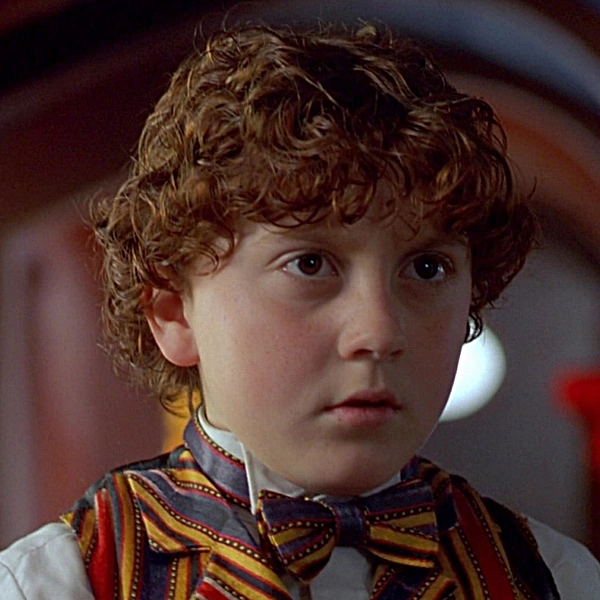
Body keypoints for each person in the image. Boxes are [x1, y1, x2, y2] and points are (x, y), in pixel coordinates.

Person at [1, 22, 600, 600]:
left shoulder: (556, 579)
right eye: (310, 264)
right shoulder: (57, 584)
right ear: (174, 312)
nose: (378, 330)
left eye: (426, 268)